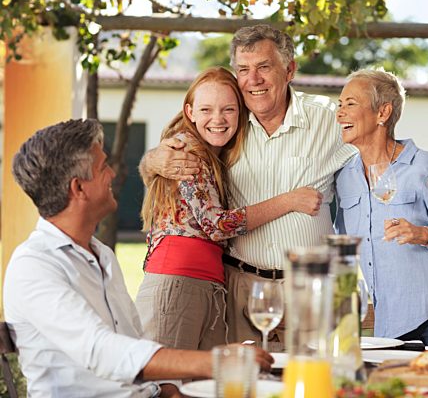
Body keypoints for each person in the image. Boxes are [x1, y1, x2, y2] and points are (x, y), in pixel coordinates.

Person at [139, 24, 428, 343]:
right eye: (243, 69)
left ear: (289, 69)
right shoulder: (229, 123)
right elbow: (187, 140)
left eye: (264, 67)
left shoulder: (328, 119)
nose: (253, 80)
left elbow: (380, 139)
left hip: (313, 288)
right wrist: (151, 160)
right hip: (241, 287)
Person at [4, 119, 272, 398]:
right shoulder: (34, 266)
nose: (113, 173)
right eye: (102, 167)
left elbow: (132, 341)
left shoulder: (101, 255)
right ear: (79, 188)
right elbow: (102, 351)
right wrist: (219, 361)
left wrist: (168, 390)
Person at [135, 67, 322, 352]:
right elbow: (216, 225)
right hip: (178, 281)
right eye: (206, 109)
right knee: (166, 385)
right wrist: (289, 201)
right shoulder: (186, 150)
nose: (218, 119)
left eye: (228, 109)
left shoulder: (217, 155)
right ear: (190, 111)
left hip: (206, 284)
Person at [334, 68, 428, 346]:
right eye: (339, 104)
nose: (340, 112)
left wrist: (424, 234)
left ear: (382, 113)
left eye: (351, 104)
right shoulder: (345, 176)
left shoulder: (421, 164)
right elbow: (343, 245)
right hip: (388, 321)